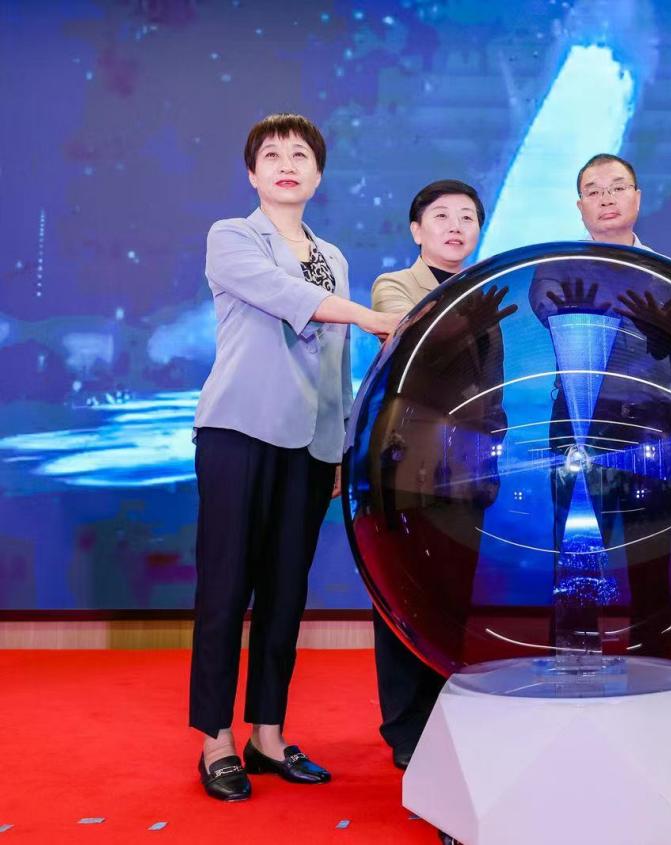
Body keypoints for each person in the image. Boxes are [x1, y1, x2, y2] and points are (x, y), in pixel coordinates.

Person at [190, 113, 400, 801]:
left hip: (310, 445)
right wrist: (368, 317)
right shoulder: (232, 237)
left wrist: (339, 446)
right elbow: (286, 297)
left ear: (318, 173)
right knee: (226, 588)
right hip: (239, 431)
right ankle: (215, 740)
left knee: (286, 592)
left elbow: (336, 362)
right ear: (252, 173)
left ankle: (268, 734)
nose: (287, 164)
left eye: (301, 154)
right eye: (273, 155)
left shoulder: (331, 255)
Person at [528, 153, 671, 658]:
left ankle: (656, 674)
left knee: (651, 564)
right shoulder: (557, 265)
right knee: (577, 562)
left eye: (617, 187)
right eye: (594, 190)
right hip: (580, 431)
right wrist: (577, 315)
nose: (606, 198)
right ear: (580, 206)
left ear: (637, 197)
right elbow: (547, 304)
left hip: (653, 433)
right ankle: (573, 670)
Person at [369, 180, 505, 770]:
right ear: (416, 230)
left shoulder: (484, 296)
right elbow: (411, 343)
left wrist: (494, 448)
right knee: (407, 595)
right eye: (441, 216)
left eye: (467, 217)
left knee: (454, 597)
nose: (455, 226)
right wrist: (467, 317)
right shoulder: (395, 285)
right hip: (412, 468)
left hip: (468, 471)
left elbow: (491, 389)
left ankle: (447, 716)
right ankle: (405, 727)